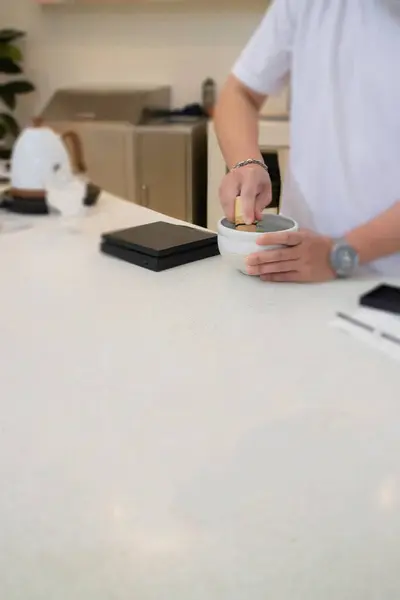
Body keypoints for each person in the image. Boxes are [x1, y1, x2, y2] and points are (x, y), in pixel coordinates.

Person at [214, 0, 400, 281]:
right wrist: (246, 163)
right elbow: (240, 94)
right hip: (296, 267)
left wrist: (337, 253)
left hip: (387, 284)